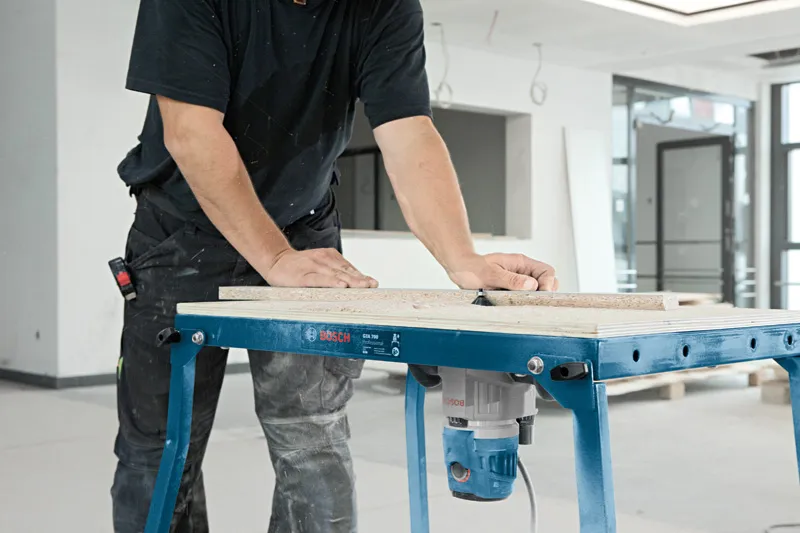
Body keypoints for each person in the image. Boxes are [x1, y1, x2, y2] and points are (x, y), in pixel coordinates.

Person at [112, 0, 558, 531]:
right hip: (180, 231)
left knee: (312, 434)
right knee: (161, 446)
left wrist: (461, 257)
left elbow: (408, 129)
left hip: (305, 233)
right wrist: (273, 257)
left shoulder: (384, 7)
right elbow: (189, 131)